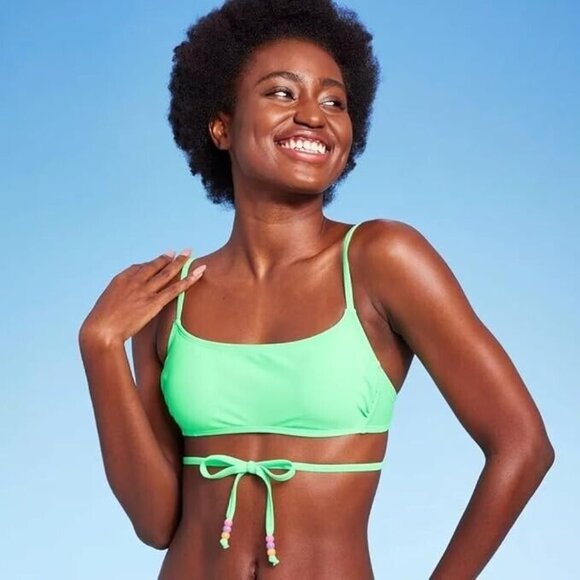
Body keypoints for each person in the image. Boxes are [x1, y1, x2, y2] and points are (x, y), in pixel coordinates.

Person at [78, 1, 555, 578]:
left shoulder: (381, 260)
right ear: (221, 125)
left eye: (334, 102)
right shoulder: (168, 298)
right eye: (282, 93)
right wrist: (100, 346)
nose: (313, 116)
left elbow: (523, 445)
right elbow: (156, 524)